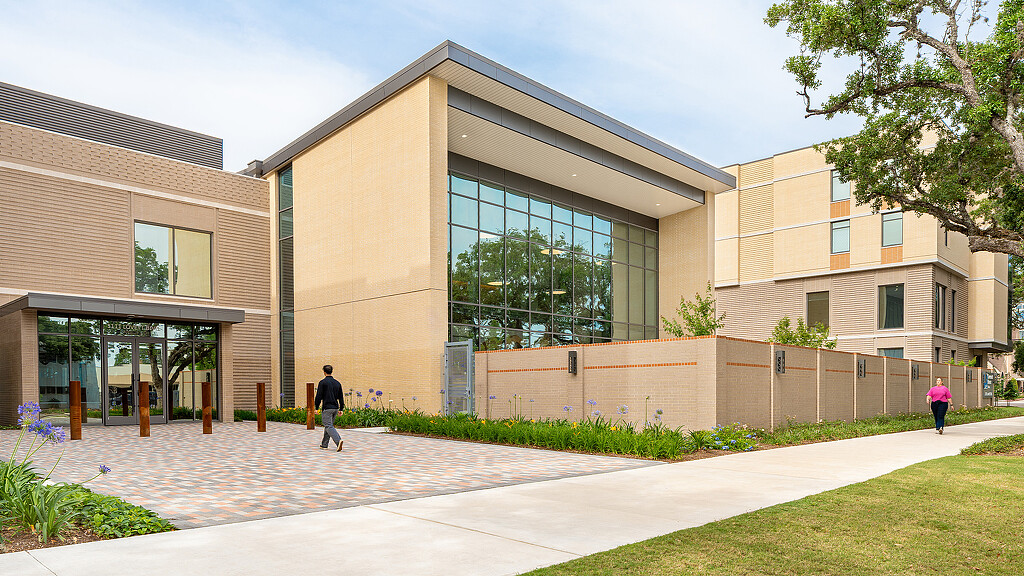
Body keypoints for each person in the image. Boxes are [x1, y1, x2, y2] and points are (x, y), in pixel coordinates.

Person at [314, 364, 344, 451]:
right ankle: (324, 444)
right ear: (331, 371)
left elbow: (318, 396)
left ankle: (338, 441)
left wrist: (316, 407)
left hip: (327, 408)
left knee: (328, 426)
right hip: (335, 408)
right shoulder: (337, 383)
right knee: (329, 426)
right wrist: (341, 409)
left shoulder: (322, 382)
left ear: (324, 372)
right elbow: (341, 397)